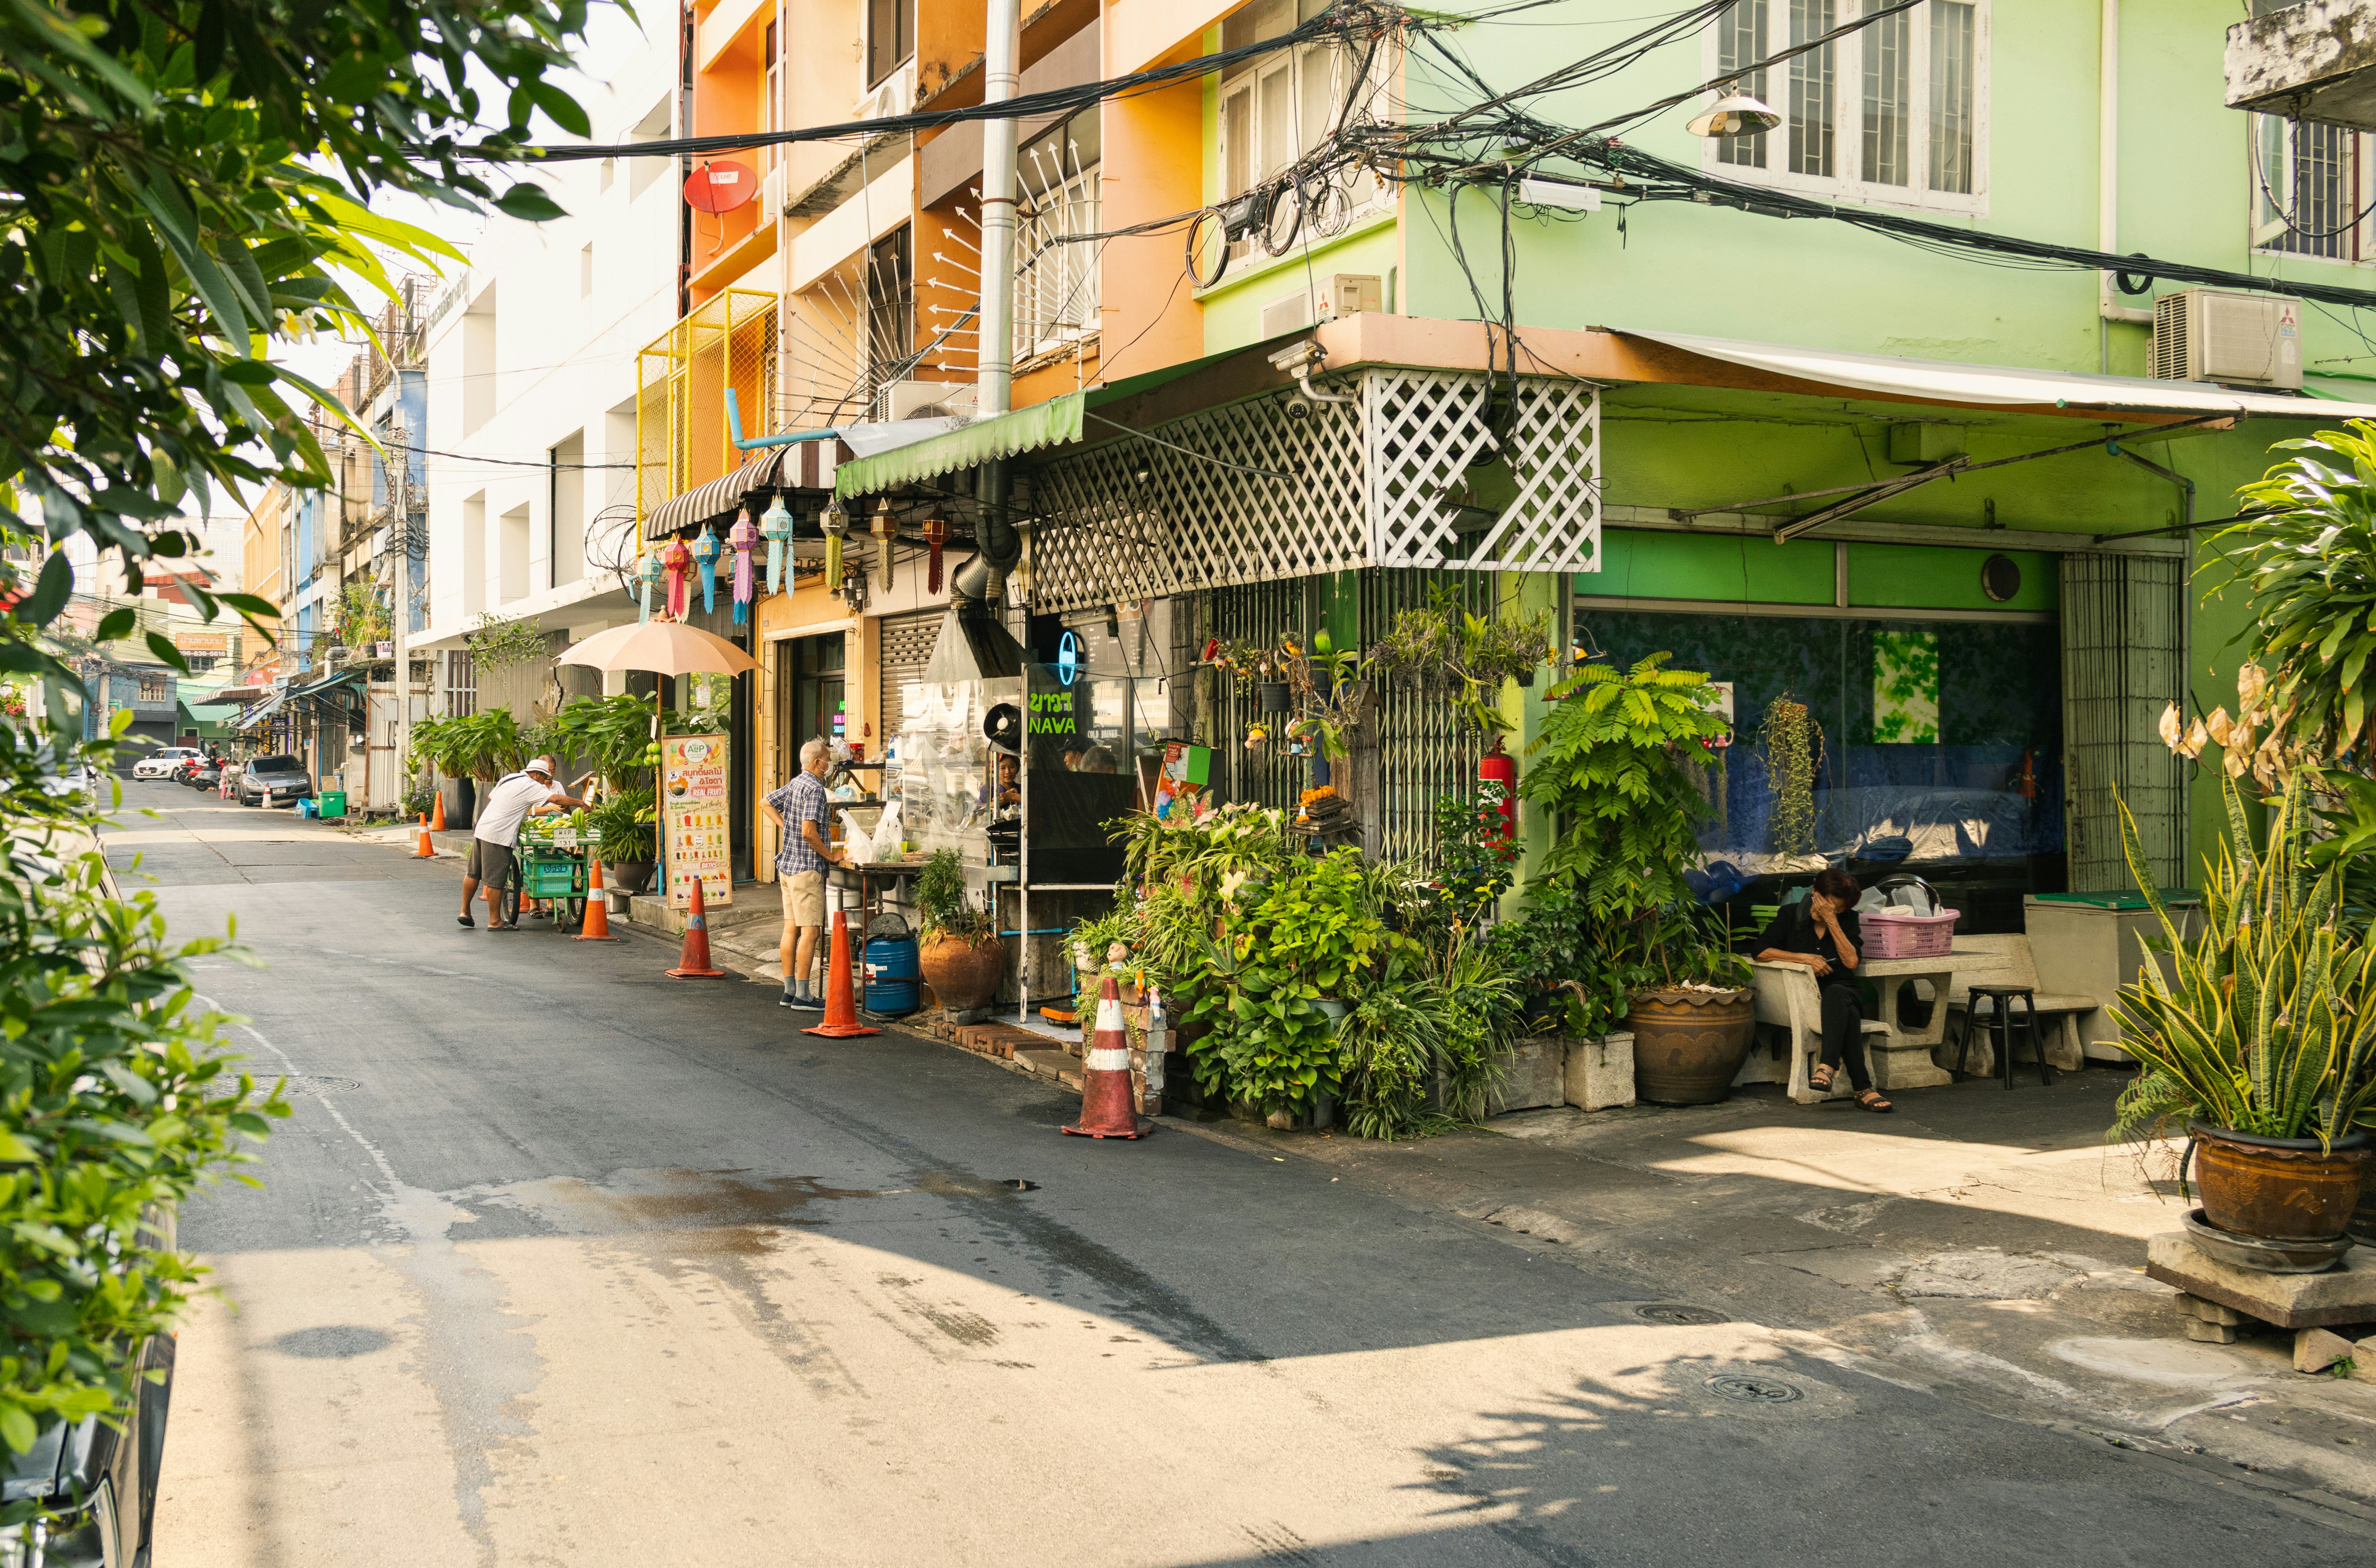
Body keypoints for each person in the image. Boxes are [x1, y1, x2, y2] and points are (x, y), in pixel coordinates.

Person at [1755, 866, 1891, 1113]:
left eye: (1837, 908)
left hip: (1844, 991)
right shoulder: (1789, 915)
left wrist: (1832, 920)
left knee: (1837, 994)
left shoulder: (1847, 920)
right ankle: (1863, 1089)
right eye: (1826, 904)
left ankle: (1826, 1066)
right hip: (1804, 999)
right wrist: (1804, 959)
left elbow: (1851, 963)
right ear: (1814, 892)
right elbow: (1761, 951)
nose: (1829, 910)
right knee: (1846, 1015)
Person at [762, 736, 844, 1009]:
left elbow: (765, 802)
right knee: (811, 932)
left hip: (787, 868)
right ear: (817, 762)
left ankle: (789, 991)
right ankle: (804, 996)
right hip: (807, 870)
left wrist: (785, 825)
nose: (830, 763)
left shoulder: (796, 783)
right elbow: (809, 831)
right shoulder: (815, 789)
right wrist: (832, 856)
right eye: (828, 759)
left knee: (791, 929)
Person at [459, 755, 585, 932]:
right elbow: (555, 799)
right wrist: (581, 803)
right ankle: (495, 921)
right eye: (543, 778)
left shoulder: (510, 777)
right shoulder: (530, 784)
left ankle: (465, 912)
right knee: (496, 880)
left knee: (473, 873)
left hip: (483, 827)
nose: (543, 782)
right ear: (536, 774)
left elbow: (490, 797)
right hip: (499, 835)